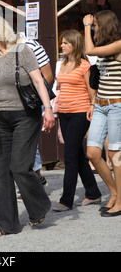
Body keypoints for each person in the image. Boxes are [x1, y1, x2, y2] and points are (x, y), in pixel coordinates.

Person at [0, 16, 54, 236]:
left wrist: (48, 109)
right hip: (1, 118)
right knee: (2, 172)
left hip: (25, 116)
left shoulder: (22, 51)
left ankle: (39, 206)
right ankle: (6, 224)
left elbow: (40, 81)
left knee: (20, 167)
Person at [52, 30, 101, 212]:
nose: (61, 45)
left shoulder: (84, 65)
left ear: (74, 44)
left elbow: (92, 91)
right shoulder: (63, 64)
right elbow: (60, 86)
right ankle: (93, 192)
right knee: (77, 154)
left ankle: (66, 200)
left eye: (65, 43)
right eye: (61, 42)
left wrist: (93, 106)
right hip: (64, 113)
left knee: (70, 155)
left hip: (80, 113)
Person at [83, 11, 121, 216]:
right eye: (92, 25)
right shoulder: (103, 50)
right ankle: (115, 193)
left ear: (105, 26)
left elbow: (89, 50)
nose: (93, 28)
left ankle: (120, 201)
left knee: (115, 155)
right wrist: (93, 103)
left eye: (96, 25)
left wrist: (86, 25)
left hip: (117, 105)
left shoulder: (118, 45)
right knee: (92, 153)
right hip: (100, 105)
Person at [17, 34, 54, 187]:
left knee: (30, 142)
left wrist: (36, 100)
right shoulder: (4, 49)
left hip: (30, 103)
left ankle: (36, 180)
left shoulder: (31, 46)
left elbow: (48, 76)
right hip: (12, 104)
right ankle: (34, 180)